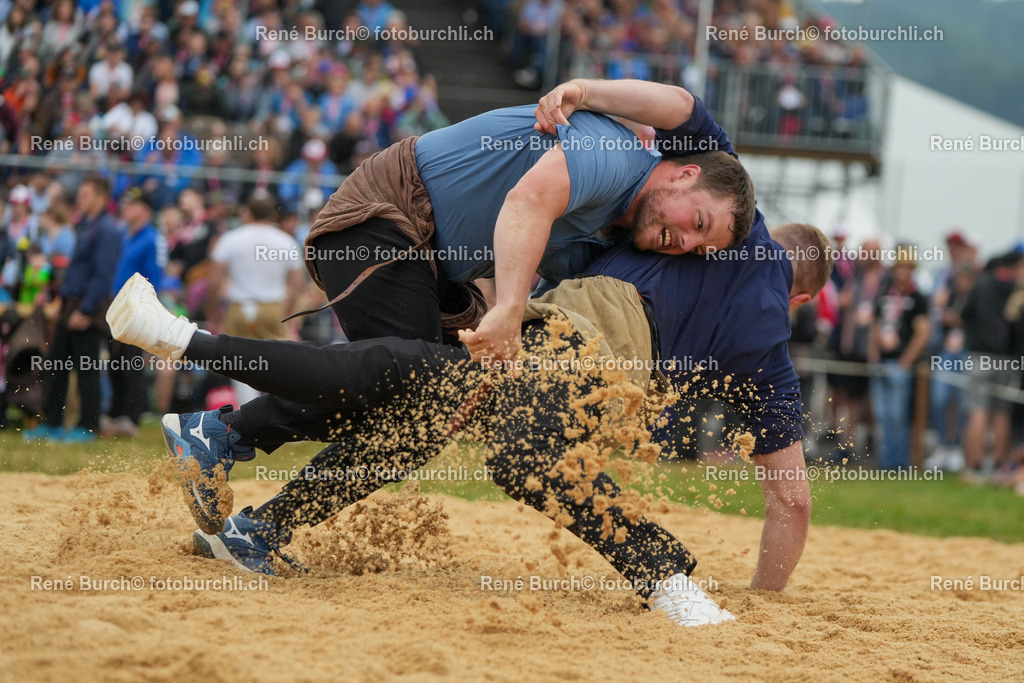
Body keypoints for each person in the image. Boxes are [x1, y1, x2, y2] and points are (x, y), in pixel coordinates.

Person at [107, 217, 829, 626]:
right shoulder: (766, 340)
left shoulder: (671, 235)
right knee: (486, 434)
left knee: (408, 397)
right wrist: (764, 601)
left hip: (534, 327)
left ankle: (244, 492)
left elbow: (550, 210)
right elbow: (791, 500)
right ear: (801, 301)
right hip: (575, 361)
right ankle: (668, 575)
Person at [293, 98, 755, 367]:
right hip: (387, 212)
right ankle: (224, 405)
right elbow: (528, 200)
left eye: (700, 249)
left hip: (431, 265)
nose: (687, 244)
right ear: (683, 175)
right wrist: (509, 309)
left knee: (425, 410)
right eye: (698, 224)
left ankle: (255, 519)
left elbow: (552, 297)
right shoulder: (615, 153)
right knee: (415, 385)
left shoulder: (607, 233)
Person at [24, 175, 121, 442]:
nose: (80, 199)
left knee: (88, 370)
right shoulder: (85, 225)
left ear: (101, 198)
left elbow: (103, 275)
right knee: (56, 365)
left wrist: (87, 311)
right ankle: (53, 422)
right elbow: (77, 270)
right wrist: (62, 302)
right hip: (70, 305)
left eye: (86, 194)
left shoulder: (107, 230)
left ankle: (88, 426)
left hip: (88, 309)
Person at [204, 194, 305, 404]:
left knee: (239, 364)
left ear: (247, 212)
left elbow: (214, 282)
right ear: (272, 214)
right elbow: (297, 282)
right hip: (273, 307)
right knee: (277, 362)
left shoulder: (231, 238)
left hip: (239, 308)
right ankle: (279, 410)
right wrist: (289, 310)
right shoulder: (285, 241)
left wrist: (213, 312)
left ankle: (246, 412)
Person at [103, 187, 163, 439]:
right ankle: (117, 413)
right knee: (115, 362)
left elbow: (155, 277)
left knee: (132, 361)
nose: (125, 208)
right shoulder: (123, 235)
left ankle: (131, 416)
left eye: (132, 204)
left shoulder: (151, 239)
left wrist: (143, 309)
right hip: (115, 306)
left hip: (136, 309)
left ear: (145, 210)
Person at [866, 249, 931, 470]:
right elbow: (875, 326)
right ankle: (885, 461)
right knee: (881, 416)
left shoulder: (918, 298)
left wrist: (906, 361)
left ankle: (898, 462)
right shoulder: (884, 293)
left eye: (906, 267)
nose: (901, 271)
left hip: (899, 364)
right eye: (899, 267)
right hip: (881, 362)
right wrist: (873, 354)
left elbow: (923, 332)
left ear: (911, 270)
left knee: (897, 416)